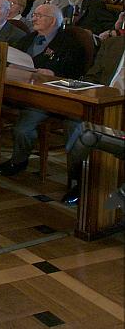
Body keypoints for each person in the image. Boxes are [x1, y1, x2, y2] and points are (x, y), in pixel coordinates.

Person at [0, 4, 87, 177]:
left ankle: (75, 176)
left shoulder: (70, 43)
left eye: (39, 16)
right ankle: (15, 160)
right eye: (34, 15)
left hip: (53, 97)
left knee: (23, 130)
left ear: (53, 20)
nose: (34, 18)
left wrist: (53, 73)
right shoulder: (27, 39)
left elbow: (76, 72)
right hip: (24, 91)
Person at [61, 35, 124, 204]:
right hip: (100, 105)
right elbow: (92, 77)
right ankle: (80, 181)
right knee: (73, 122)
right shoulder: (112, 44)